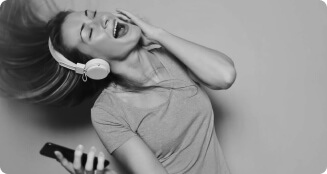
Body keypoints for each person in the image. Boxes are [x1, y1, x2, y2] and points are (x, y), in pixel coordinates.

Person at [0, 1, 236, 173]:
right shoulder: (107, 113)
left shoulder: (168, 54)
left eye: (92, 14)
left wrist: (158, 33)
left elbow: (224, 76)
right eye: (89, 31)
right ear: (93, 65)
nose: (101, 19)